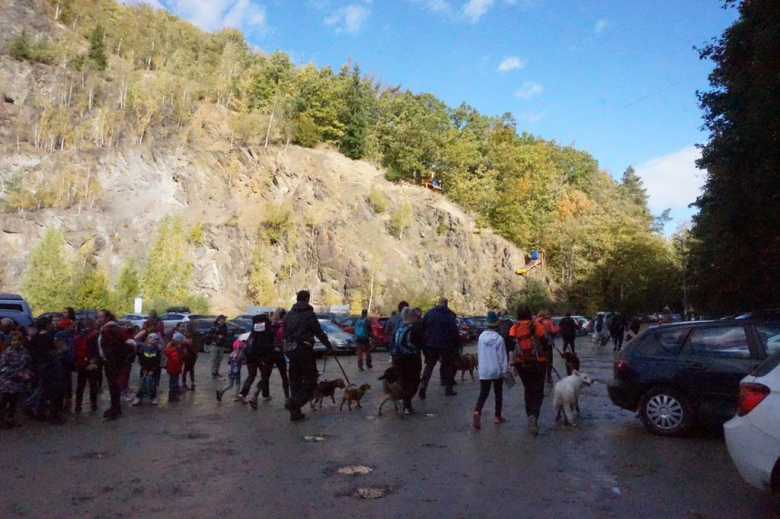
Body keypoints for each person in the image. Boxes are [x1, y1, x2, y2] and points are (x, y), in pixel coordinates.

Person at [282, 290, 332, 422]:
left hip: (291, 350)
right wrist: (328, 345)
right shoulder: (309, 315)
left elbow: (284, 332)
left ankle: (295, 414)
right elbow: (318, 332)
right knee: (311, 381)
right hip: (304, 349)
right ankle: (294, 403)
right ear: (307, 299)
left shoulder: (289, 315)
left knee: (295, 381)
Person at [510, 304, 548, 436]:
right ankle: (534, 415)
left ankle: (529, 415)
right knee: (538, 391)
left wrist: (513, 364)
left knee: (528, 389)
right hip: (538, 362)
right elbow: (545, 343)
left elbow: (511, 346)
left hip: (521, 363)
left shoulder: (514, 328)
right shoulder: (536, 325)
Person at [472, 311, 509, 429]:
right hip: (496, 370)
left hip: (484, 370)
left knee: (483, 393)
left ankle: (477, 411)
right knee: (498, 393)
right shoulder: (499, 339)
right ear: (498, 325)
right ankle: (497, 416)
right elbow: (502, 357)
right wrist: (506, 370)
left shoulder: (481, 337)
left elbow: (480, 353)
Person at [419, 297, 461, 398]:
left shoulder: (429, 313)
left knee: (429, 366)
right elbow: (454, 331)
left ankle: (423, 386)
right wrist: (458, 344)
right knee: (450, 365)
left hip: (431, 344)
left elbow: (423, 328)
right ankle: (448, 388)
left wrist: (425, 343)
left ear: (438, 303)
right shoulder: (449, 315)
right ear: (447, 304)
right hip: (447, 345)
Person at [391, 307, 423, 414]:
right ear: (410, 316)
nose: (417, 318)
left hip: (398, 358)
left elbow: (393, 343)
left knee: (403, 381)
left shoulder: (399, 327)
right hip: (412, 359)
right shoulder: (414, 329)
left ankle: (402, 401)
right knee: (414, 382)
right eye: (415, 316)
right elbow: (421, 344)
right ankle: (406, 403)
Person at [98, 309, 128, 420]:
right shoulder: (108, 328)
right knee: (112, 385)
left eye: (101, 317)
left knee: (113, 385)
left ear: (107, 317)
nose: (99, 319)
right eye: (98, 317)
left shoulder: (110, 329)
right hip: (111, 360)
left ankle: (115, 408)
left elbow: (112, 346)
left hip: (112, 361)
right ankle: (115, 407)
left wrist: (109, 360)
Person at [240, 314, 274, 408]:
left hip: (250, 356)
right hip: (262, 357)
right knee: (265, 376)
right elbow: (269, 344)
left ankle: (243, 393)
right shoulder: (267, 331)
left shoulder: (254, 331)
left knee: (251, 375)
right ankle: (255, 395)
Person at [256, 310, 289, 405]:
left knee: (265, 376)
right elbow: (283, 339)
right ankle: (287, 398)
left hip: (269, 353)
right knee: (284, 376)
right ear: (283, 316)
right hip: (278, 354)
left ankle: (255, 395)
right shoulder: (283, 326)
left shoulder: (270, 325)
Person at [0, 332, 32, 428]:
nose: (16, 342)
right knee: (3, 401)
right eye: (14, 340)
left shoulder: (25, 352)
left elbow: (28, 364)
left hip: (18, 383)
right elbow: (3, 368)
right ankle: (1, 419)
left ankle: (11, 418)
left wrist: (27, 373)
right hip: (6, 382)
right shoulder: (6, 353)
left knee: (13, 402)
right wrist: (16, 373)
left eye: (18, 340)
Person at [74, 317, 101, 413]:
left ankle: (78, 405)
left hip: (81, 362)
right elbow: (97, 350)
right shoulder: (95, 335)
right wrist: (95, 361)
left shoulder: (79, 335)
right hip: (91, 362)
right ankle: (93, 404)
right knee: (93, 384)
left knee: (80, 385)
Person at [133, 333, 162, 406]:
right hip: (145, 370)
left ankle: (153, 397)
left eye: (157, 340)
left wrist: (153, 370)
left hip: (154, 371)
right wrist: (143, 368)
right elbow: (141, 359)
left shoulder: (157, 350)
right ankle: (138, 397)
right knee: (142, 383)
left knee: (153, 384)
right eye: (155, 340)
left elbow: (157, 362)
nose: (156, 341)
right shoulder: (144, 349)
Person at [209, 315, 229, 380]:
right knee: (214, 359)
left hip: (222, 345)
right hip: (215, 345)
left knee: (219, 360)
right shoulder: (214, 326)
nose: (224, 320)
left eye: (224, 319)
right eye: (223, 319)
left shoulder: (225, 327)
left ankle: (217, 372)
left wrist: (224, 338)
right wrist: (217, 336)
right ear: (219, 319)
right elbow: (209, 335)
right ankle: (213, 373)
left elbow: (226, 335)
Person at [181, 322, 198, 390]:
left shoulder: (191, 335)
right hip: (189, 355)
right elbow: (189, 345)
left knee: (188, 369)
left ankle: (189, 383)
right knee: (189, 369)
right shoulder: (190, 335)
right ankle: (189, 383)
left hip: (190, 355)